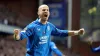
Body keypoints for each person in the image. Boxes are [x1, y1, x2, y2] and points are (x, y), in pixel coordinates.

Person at [13, 4, 85, 56]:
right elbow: (20, 36)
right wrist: (16, 35)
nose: (46, 11)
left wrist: (77, 32)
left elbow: (62, 33)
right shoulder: (32, 26)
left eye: (47, 10)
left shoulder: (50, 26)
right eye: (43, 10)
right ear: (38, 13)